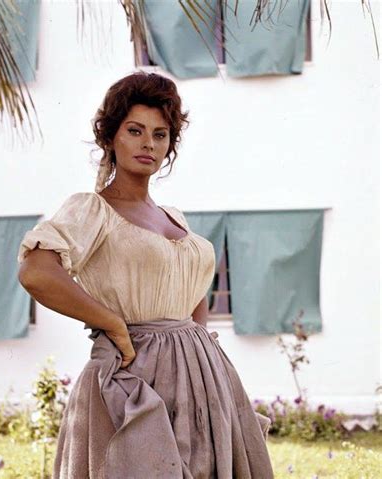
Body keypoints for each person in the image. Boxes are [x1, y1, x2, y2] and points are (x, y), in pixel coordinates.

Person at [17, 72, 274, 478]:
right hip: (135, 375)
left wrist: (199, 347)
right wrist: (113, 325)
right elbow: (37, 272)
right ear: (110, 137)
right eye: (134, 131)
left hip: (200, 378)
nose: (148, 144)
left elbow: (192, 290)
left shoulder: (174, 217)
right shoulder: (92, 209)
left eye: (160, 134)